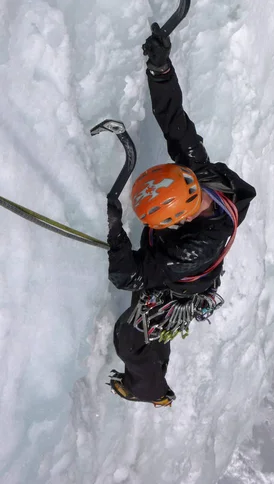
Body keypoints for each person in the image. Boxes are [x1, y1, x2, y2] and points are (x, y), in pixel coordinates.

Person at [107, 24, 256, 407]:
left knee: (129, 340)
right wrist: (161, 70)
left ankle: (151, 391)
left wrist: (116, 234)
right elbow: (174, 120)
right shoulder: (203, 178)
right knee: (147, 335)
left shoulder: (182, 254)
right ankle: (156, 373)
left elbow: (128, 275)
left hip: (176, 287)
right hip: (179, 273)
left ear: (176, 221)